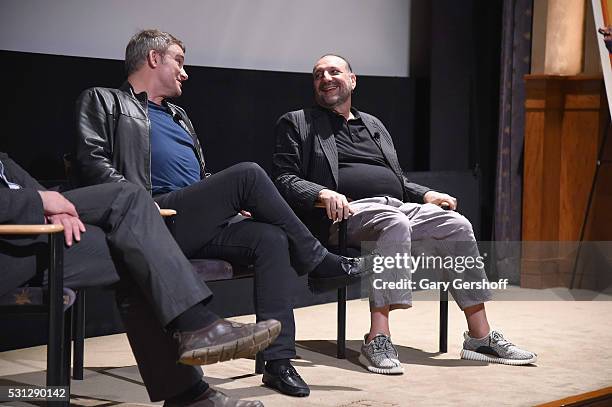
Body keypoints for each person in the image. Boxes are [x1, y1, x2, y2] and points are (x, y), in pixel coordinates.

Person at [74, 29, 368, 398]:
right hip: (148, 219)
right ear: (153, 58)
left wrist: (230, 200)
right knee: (247, 172)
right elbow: (92, 161)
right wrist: (134, 197)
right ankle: (318, 259)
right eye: (178, 61)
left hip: (190, 217)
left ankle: (278, 362)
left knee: (270, 238)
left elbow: (200, 175)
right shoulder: (104, 100)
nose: (185, 72)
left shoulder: (179, 116)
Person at [272, 54, 537, 375]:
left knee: (456, 224)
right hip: (345, 215)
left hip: (395, 205)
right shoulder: (298, 122)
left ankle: (480, 337)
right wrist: (322, 193)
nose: (325, 77)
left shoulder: (373, 125)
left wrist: (426, 194)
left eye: (334, 71)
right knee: (392, 222)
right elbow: (285, 179)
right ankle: (377, 337)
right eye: (318, 75)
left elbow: (397, 180)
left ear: (352, 80)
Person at [0, 152, 280, 407]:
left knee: (131, 245)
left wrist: (51, 203)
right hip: (10, 244)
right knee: (129, 199)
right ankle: (195, 338)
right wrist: (39, 201)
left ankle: (190, 388)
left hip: (23, 231)